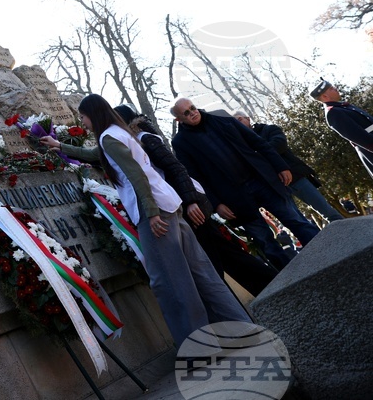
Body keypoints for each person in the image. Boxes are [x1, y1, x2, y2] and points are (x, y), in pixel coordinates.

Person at [40, 94, 250, 347]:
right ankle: (242, 328)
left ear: (92, 114)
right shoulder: (120, 132)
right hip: (170, 205)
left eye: (83, 116)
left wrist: (150, 213)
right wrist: (60, 146)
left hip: (154, 212)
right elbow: (97, 155)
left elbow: (136, 177)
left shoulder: (109, 137)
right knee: (202, 274)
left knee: (169, 282)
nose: (82, 121)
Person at [114, 106, 277, 296]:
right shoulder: (136, 141)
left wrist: (190, 202)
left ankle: (252, 296)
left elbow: (175, 169)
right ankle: (267, 286)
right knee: (224, 253)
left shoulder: (145, 140)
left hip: (186, 204)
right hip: (183, 202)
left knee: (212, 258)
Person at [170, 98, 320, 271]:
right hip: (233, 198)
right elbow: (195, 177)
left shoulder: (223, 119)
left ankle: (328, 250)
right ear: (178, 120)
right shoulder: (180, 143)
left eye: (193, 108)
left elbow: (258, 142)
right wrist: (217, 203)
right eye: (186, 113)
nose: (193, 113)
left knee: (295, 220)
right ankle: (293, 276)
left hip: (261, 180)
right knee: (265, 241)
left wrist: (280, 166)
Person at [233, 110, 343, 223]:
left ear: (248, 119)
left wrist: (258, 156)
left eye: (240, 119)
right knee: (297, 221)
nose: (238, 122)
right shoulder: (241, 145)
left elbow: (279, 145)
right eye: (235, 122)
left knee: (327, 212)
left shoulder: (269, 129)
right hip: (274, 187)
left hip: (295, 177)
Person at [311, 78, 373, 181]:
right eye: (331, 88)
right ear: (325, 96)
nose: (335, 88)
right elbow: (359, 136)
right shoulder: (333, 113)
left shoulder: (343, 106)